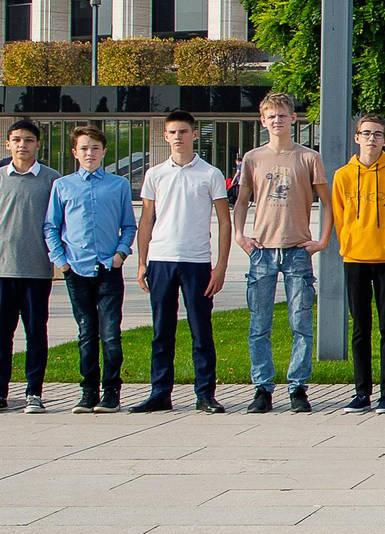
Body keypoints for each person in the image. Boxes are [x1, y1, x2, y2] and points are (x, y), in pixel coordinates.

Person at [237, 91, 332, 414]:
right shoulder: (253, 158)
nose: (277, 120)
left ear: (293, 119)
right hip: (262, 251)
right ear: (263, 121)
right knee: (259, 324)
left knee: (301, 323)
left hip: (297, 250)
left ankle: (298, 387)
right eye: (271, 116)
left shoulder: (308, 158)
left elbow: (327, 202)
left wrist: (322, 240)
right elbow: (241, 200)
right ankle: (262, 388)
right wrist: (239, 235)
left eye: (282, 115)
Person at [135, 108, 232, 413]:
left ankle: (205, 394)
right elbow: (146, 219)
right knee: (161, 331)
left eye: (183, 132)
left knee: (201, 331)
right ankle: (160, 393)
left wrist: (220, 266)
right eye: (173, 132)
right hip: (161, 259)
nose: (178, 137)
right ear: (165, 136)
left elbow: (224, 221)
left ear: (194, 134)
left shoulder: (210, 174)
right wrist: (142, 262)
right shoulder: (155, 174)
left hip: (196, 261)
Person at [45, 124, 137, 412]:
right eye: (84, 148)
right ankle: (88, 392)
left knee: (111, 334)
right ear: (75, 152)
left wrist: (121, 253)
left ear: (104, 151)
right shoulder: (63, 186)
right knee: (86, 333)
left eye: (95, 148)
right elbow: (51, 226)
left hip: (108, 267)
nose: (90, 153)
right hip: (76, 269)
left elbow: (128, 225)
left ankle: (111, 392)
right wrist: (61, 261)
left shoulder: (118, 185)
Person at [0, 118, 59, 413]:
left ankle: (34, 392)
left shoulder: (51, 180)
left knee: (36, 333)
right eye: (17, 140)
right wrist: (0, 246)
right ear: (8, 144)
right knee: (1, 334)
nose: (23, 145)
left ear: (38, 144)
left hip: (36, 269)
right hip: (2, 268)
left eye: (29, 140)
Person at [334, 113, 385, 411]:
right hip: (355, 258)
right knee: (360, 327)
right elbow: (340, 217)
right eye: (366, 133)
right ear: (357, 138)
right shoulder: (343, 175)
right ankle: (361, 392)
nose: (371, 139)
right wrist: (348, 243)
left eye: (377, 134)